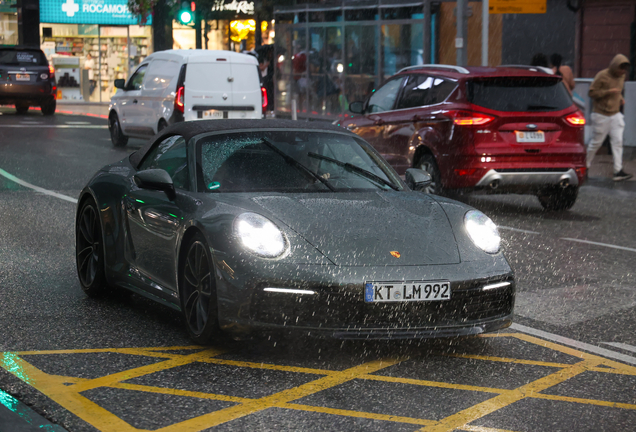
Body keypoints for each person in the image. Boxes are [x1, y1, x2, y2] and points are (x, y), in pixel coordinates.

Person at [587, 54, 632, 181]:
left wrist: (620, 98)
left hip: (615, 114)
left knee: (618, 142)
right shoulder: (602, 75)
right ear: (614, 67)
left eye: (624, 70)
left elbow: (617, 91)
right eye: (620, 69)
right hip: (601, 114)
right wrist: (607, 92)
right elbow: (591, 92)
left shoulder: (622, 77)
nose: (622, 72)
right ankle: (585, 166)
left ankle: (618, 171)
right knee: (596, 143)